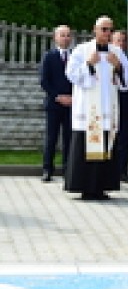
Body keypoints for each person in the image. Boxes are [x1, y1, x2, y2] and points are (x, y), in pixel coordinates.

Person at [65, 16, 128, 200]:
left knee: (106, 148)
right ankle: (84, 187)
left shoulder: (116, 52)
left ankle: (102, 187)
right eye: (104, 29)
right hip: (88, 112)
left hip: (107, 111)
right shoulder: (82, 50)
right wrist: (88, 63)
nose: (107, 33)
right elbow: (71, 74)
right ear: (94, 30)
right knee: (85, 149)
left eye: (110, 30)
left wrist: (118, 66)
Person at [39, 25, 73, 182]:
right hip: (54, 105)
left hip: (71, 105)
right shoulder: (49, 56)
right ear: (55, 38)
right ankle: (47, 169)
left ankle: (68, 170)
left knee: (69, 138)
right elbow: (44, 81)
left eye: (68, 35)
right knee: (51, 138)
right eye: (62, 35)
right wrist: (58, 97)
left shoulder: (74, 57)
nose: (65, 38)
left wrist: (72, 98)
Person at [111, 30, 128, 184]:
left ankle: (123, 170)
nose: (121, 44)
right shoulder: (106, 59)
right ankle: (110, 171)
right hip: (111, 106)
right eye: (118, 40)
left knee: (125, 140)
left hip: (127, 107)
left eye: (123, 41)